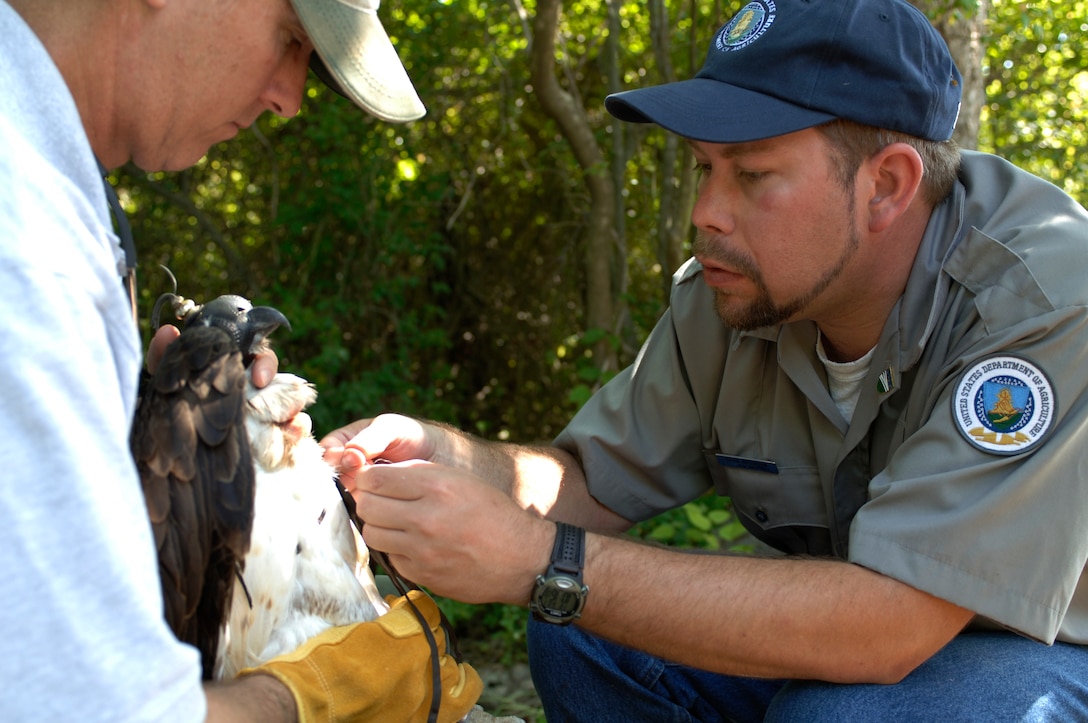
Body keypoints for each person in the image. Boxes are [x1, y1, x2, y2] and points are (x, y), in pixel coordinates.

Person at [320, 0, 1088, 719]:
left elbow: (893, 621)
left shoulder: (1043, 299)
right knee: (584, 631)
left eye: (751, 176)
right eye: (703, 168)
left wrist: (537, 557)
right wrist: (446, 455)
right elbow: (588, 480)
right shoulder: (743, 289)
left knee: (840, 712)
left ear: (886, 185)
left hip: (1049, 649)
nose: (705, 214)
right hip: (869, 629)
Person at [0, 0, 477, 721]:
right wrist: (311, 694)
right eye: (289, 38)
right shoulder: (29, 254)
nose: (289, 99)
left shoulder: (54, 187)